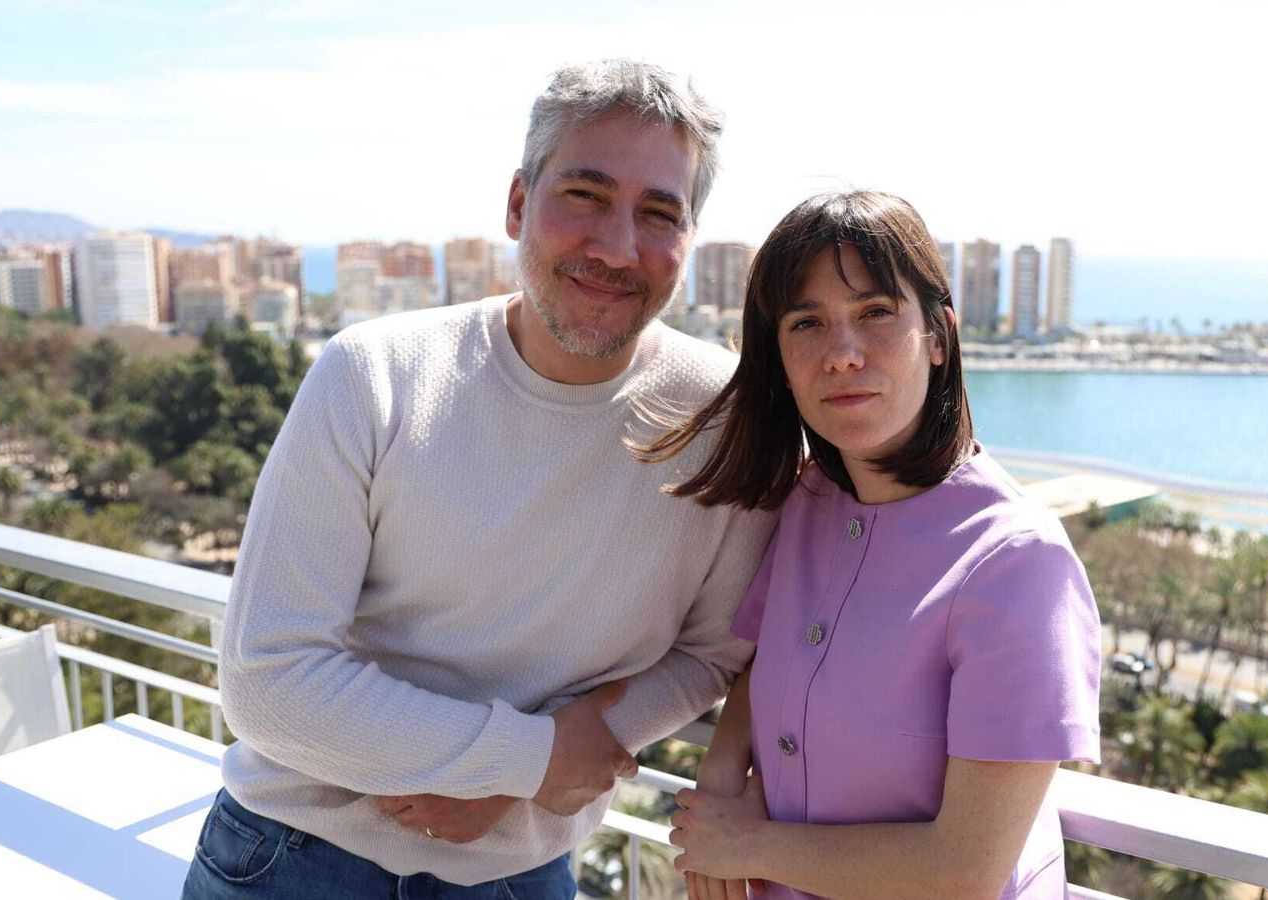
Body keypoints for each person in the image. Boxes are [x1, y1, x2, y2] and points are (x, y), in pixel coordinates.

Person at [182, 60, 774, 899]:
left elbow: (712, 651)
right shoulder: (374, 374)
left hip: (519, 875)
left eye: (657, 213)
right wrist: (525, 759)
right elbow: (267, 683)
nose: (617, 246)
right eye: (585, 195)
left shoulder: (725, 426)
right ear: (517, 203)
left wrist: (517, 778)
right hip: (290, 856)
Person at [647, 191, 1102, 899]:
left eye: (875, 313)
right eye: (808, 323)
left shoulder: (1017, 565)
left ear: (940, 337)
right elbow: (765, 659)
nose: (841, 354)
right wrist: (719, 775)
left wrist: (745, 846)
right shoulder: (809, 502)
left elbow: (964, 869)